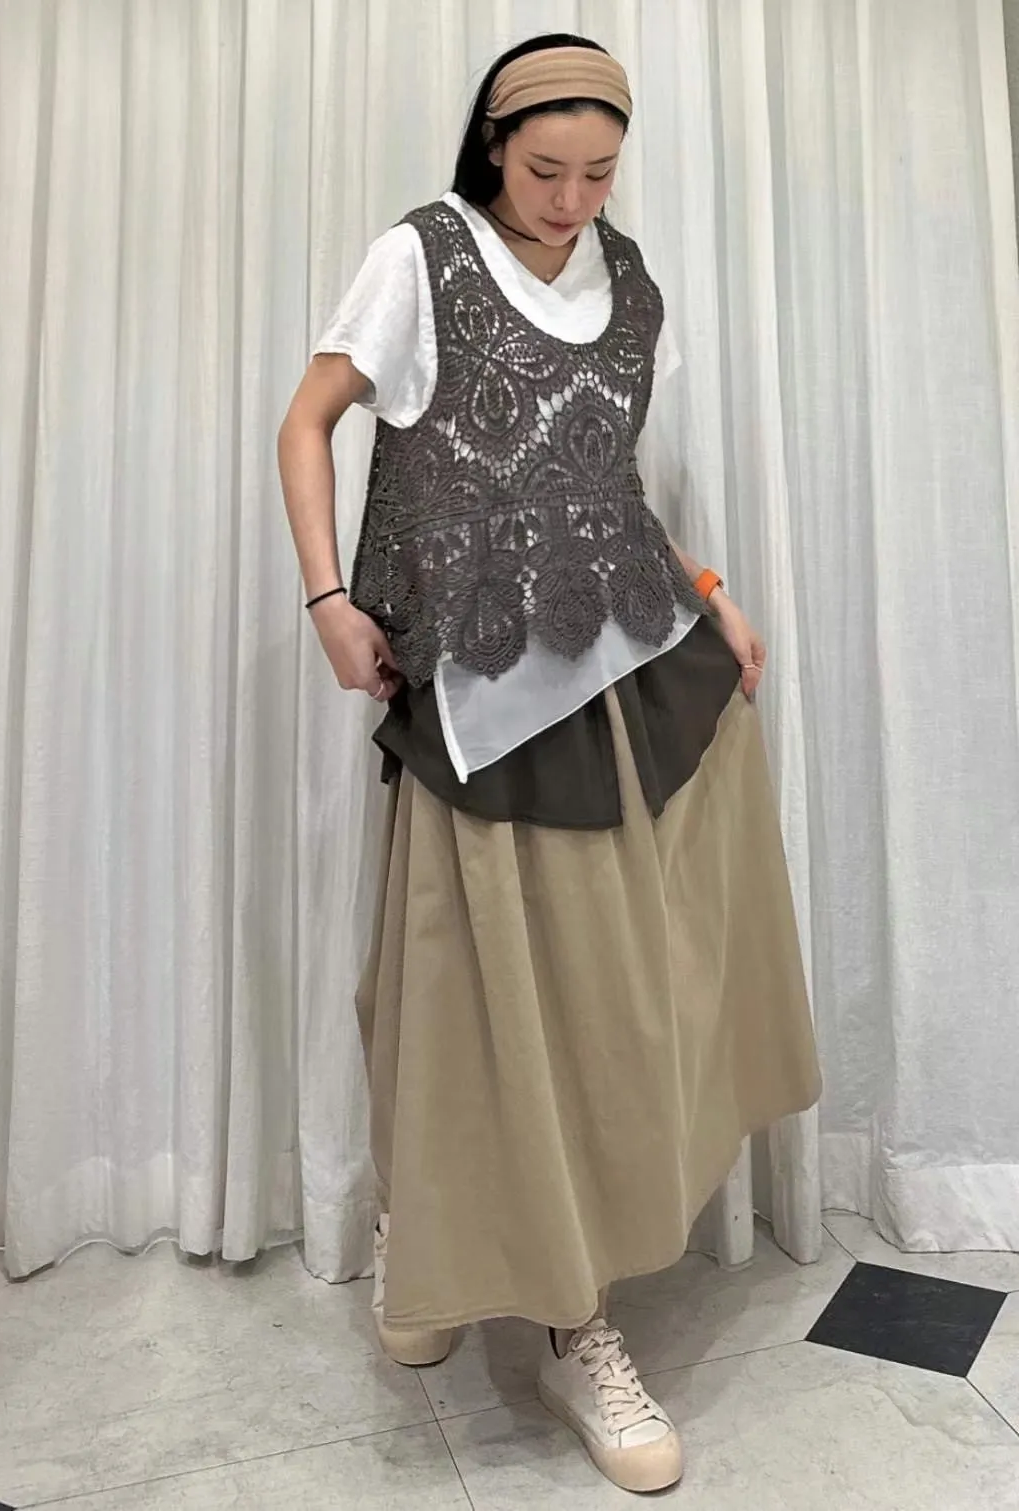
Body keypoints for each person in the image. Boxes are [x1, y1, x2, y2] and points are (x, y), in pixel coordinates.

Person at [278, 33, 821, 1497]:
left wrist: (709, 593)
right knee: (475, 1007)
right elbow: (307, 424)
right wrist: (329, 601)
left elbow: (604, 479)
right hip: (479, 699)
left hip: (625, 675)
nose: (572, 199)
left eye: (599, 172)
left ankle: (571, 1314)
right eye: (544, 169)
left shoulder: (627, 281)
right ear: (493, 146)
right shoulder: (423, 257)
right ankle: (469, 1258)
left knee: (614, 1006)